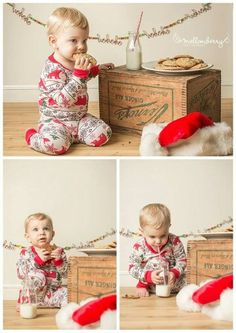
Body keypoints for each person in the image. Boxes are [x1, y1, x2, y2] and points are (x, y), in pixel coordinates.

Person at [25, 7, 114, 155]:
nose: (81, 46)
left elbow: (83, 76)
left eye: (84, 40)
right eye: (74, 40)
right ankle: (33, 137)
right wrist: (79, 75)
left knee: (103, 133)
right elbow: (63, 101)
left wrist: (95, 70)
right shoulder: (51, 69)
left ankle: (75, 135)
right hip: (55, 121)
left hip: (79, 119)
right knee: (56, 145)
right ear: (54, 42)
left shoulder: (74, 61)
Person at [128, 203, 187, 297]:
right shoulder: (139, 246)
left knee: (192, 281)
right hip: (151, 283)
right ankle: (142, 286)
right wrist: (148, 277)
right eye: (152, 236)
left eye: (163, 235)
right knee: (157, 261)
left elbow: (182, 260)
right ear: (142, 232)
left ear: (169, 227)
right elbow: (132, 268)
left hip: (172, 281)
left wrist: (174, 273)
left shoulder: (174, 241)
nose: (158, 241)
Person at [16, 213, 68, 308]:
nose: (42, 232)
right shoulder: (26, 253)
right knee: (37, 275)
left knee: (70, 295)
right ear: (28, 237)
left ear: (52, 234)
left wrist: (59, 261)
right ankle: (24, 302)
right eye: (35, 229)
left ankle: (63, 307)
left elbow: (66, 274)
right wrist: (38, 260)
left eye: (46, 229)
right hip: (32, 295)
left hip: (54, 292)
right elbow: (21, 274)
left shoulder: (58, 252)